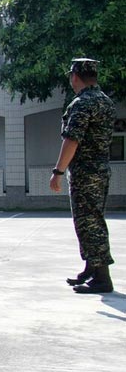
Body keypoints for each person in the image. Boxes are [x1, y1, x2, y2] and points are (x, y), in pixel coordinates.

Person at [50, 58, 116, 294]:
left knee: (89, 222)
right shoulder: (106, 101)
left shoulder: (82, 103)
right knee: (94, 219)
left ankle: (101, 277)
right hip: (100, 169)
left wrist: (58, 171)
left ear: (74, 76)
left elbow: (72, 140)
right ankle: (92, 267)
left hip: (85, 173)